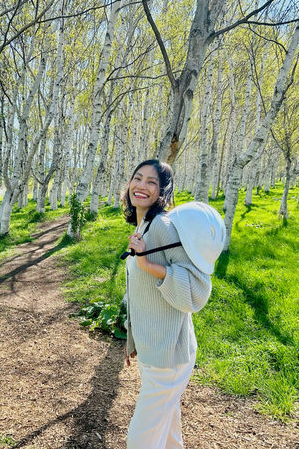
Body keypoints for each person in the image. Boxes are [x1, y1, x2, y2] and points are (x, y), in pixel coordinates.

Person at [122, 159, 213, 449]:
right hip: (155, 349)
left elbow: (198, 286)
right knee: (168, 431)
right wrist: (133, 339)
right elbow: (140, 293)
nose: (142, 186)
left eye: (152, 182)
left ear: (162, 192)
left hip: (169, 355)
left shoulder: (163, 226)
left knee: (141, 440)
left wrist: (148, 264)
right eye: (138, 178)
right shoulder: (144, 225)